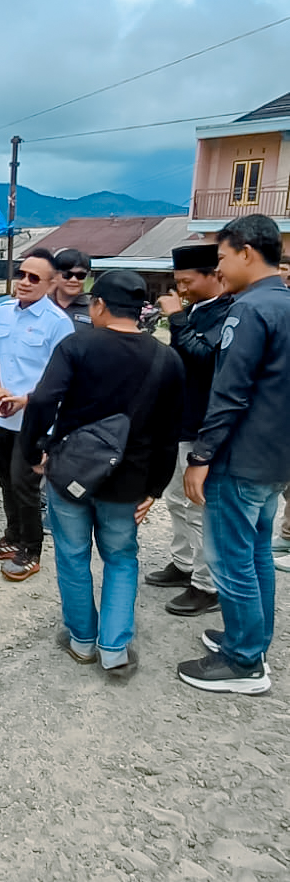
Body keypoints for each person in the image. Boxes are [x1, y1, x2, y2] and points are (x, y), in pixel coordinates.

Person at [22, 269, 184, 676]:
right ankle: (114, 649)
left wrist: (34, 452)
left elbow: (42, 400)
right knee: (121, 559)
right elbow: (170, 433)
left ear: (99, 305)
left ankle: (81, 640)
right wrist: (157, 487)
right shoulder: (167, 358)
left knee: (73, 557)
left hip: (70, 474)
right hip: (128, 480)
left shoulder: (76, 346)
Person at [179, 214, 290, 695]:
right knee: (258, 553)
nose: (219, 267)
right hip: (274, 457)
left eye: (222, 257)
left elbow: (230, 392)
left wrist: (200, 457)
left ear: (246, 251)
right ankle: (252, 640)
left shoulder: (248, 311)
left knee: (231, 559)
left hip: (240, 457)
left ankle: (245, 663)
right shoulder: (285, 302)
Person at [145, 245, 231, 616]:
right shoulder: (197, 309)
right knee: (177, 501)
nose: (180, 289)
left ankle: (207, 584)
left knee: (200, 508)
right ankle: (183, 564)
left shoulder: (227, 313)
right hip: (178, 421)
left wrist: (177, 320)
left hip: (202, 425)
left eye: (186, 281)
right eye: (178, 282)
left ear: (214, 276)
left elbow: (204, 360)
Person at [0, 250, 72, 581]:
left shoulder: (59, 324)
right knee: (6, 479)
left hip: (35, 420)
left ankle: (30, 549)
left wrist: (27, 400)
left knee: (25, 483)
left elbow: (63, 380)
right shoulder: (4, 311)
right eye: (21, 274)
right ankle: (12, 536)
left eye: (35, 278)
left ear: (50, 284)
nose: (25, 282)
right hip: (1, 415)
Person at [51, 249, 93, 325]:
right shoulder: (40, 304)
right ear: (54, 274)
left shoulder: (94, 311)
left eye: (80, 275)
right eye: (67, 275)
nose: (73, 280)